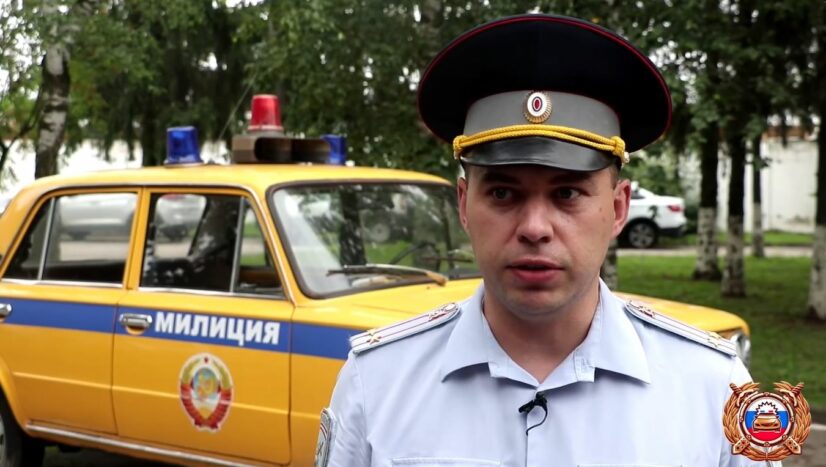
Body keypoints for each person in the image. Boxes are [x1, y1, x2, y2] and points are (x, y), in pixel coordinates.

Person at [316, 14, 773, 467]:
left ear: (618, 208)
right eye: (503, 193)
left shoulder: (714, 389)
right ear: (464, 204)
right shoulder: (378, 382)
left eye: (567, 193)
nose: (535, 227)